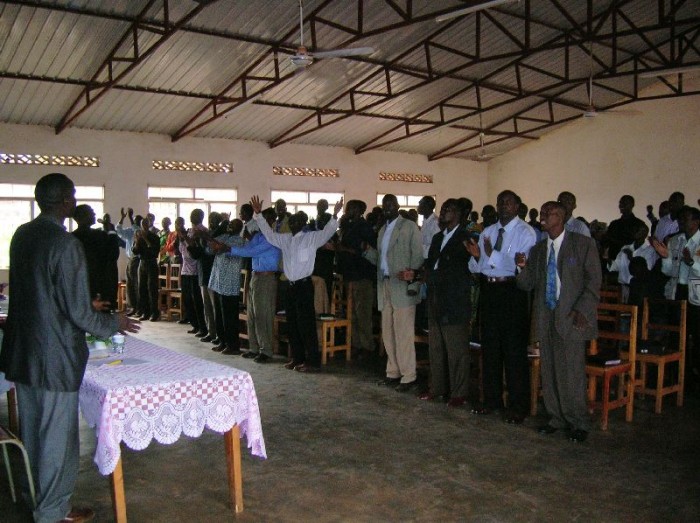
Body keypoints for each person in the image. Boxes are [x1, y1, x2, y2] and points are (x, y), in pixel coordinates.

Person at [0, 173, 139, 523]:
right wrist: (114, 322)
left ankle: (40, 499)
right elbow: (79, 315)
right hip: (54, 356)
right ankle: (52, 512)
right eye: (73, 195)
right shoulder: (65, 244)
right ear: (65, 201)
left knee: (34, 432)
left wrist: (83, 304)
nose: (74, 201)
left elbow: (39, 291)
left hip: (25, 351)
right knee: (57, 440)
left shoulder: (22, 234)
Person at [516, 201, 601, 443]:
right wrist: (521, 268)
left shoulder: (582, 244)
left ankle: (578, 422)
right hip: (547, 317)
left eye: (548, 213)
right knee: (550, 370)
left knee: (572, 373)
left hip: (572, 317)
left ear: (561, 217)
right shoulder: (538, 249)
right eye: (542, 212)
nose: (542, 216)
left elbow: (594, 281)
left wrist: (582, 309)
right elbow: (527, 284)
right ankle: (556, 418)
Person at [466, 190, 537, 423]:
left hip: (512, 291)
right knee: (491, 349)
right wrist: (477, 256)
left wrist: (491, 254)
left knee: (514, 351)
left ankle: (518, 406)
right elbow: (479, 267)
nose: (503, 206)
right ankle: (492, 400)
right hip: (490, 290)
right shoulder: (488, 231)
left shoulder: (525, 232)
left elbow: (518, 267)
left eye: (508, 202)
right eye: (500, 202)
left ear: (517, 206)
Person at [250, 195, 343, 373]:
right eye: (291, 221)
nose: (292, 224)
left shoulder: (311, 238)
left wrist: (335, 215)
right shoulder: (285, 239)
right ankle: (297, 358)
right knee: (292, 324)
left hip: (304, 286)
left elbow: (328, 232)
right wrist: (259, 215)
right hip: (290, 286)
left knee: (306, 325)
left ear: (303, 223)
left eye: (296, 221)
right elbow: (269, 235)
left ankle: (313, 362)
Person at [411, 199, 473, 407]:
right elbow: (431, 264)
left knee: (456, 349)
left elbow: (457, 271)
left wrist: (430, 276)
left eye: (449, 209)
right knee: (436, 346)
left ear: (458, 215)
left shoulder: (465, 238)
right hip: (436, 297)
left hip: (454, 300)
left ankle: (459, 392)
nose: (444, 211)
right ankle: (436, 387)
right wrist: (418, 274)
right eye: (444, 208)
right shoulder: (438, 238)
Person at [365, 194, 424, 392]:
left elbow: (417, 256)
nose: (388, 208)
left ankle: (409, 376)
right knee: (388, 332)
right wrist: (367, 251)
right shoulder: (382, 230)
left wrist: (413, 284)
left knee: (403, 333)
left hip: (403, 285)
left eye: (391, 204)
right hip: (385, 283)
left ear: (398, 206)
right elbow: (382, 259)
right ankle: (393, 372)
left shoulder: (409, 227)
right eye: (385, 205)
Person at [651, 206, 700, 395]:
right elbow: (668, 271)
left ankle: (695, 377)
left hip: (697, 295)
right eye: (680, 219)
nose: (682, 223)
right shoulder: (675, 240)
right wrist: (665, 257)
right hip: (677, 292)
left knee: (696, 337)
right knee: (677, 336)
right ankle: (680, 377)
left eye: (686, 219)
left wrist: (691, 262)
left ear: (696, 221)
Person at [230, 208, 281, 363]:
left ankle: (266, 350)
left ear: (272, 221)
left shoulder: (272, 239)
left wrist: (228, 249)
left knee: (263, 315)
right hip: (255, 276)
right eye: (261, 219)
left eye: (266, 219)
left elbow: (251, 252)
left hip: (266, 279)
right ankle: (254, 348)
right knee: (252, 314)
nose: (262, 222)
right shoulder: (258, 236)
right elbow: (247, 248)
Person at [336, 199, 377, 357]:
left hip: (362, 274)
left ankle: (367, 346)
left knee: (363, 313)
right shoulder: (347, 227)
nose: (348, 211)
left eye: (351, 208)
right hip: (350, 274)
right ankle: (356, 343)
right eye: (347, 208)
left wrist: (346, 249)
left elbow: (369, 250)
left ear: (360, 211)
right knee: (352, 312)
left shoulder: (364, 227)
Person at [207, 219, 245, 355]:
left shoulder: (239, 241)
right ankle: (222, 341)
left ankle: (233, 345)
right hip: (218, 281)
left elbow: (221, 248)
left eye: (233, 225)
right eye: (229, 224)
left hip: (229, 284)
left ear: (239, 228)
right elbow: (209, 249)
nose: (229, 226)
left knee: (229, 317)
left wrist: (212, 242)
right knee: (219, 314)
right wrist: (212, 241)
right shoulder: (223, 236)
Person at [72, 204, 120, 309]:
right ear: (83, 216)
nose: (94, 214)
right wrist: (112, 232)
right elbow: (113, 255)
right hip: (99, 285)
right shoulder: (99, 235)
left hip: (79, 285)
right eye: (91, 212)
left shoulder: (71, 237)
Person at [132, 216, 160, 321]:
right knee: (142, 288)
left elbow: (154, 252)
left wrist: (145, 239)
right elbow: (135, 251)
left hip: (151, 263)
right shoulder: (138, 236)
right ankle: (145, 312)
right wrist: (137, 241)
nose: (144, 226)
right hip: (142, 262)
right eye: (142, 224)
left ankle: (154, 313)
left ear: (149, 224)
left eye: (145, 224)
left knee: (152, 289)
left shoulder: (154, 237)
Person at [116, 208, 142, 316]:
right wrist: (122, 218)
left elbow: (137, 230)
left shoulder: (141, 231)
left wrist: (131, 218)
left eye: (136, 221)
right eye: (134, 220)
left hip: (138, 260)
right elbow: (119, 231)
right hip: (130, 259)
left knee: (136, 284)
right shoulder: (130, 231)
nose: (134, 222)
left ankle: (139, 307)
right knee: (130, 284)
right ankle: (132, 307)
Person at [603, 195, 646, 260]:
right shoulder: (614, 224)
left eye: (625, 203)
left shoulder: (640, 225)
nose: (621, 205)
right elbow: (606, 243)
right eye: (620, 203)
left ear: (632, 205)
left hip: (630, 262)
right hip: (613, 262)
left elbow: (638, 245)